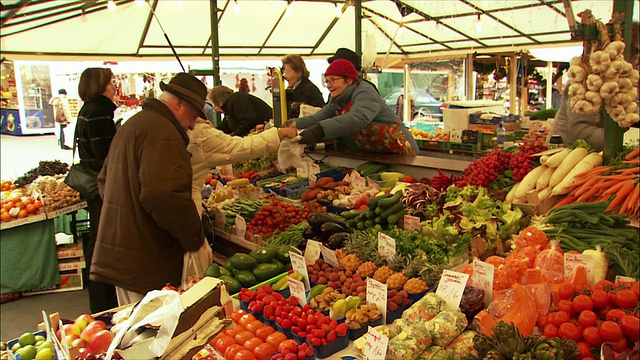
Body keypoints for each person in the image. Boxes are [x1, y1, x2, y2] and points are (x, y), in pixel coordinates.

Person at [91, 73, 206, 306]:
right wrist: (194, 237)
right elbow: (162, 193)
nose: (192, 124)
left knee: (134, 329)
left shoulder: (134, 124)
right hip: (145, 259)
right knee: (153, 334)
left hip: (122, 254)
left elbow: (103, 181)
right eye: (193, 115)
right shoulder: (164, 133)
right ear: (179, 104)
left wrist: (127, 212)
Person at [288, 59, 418, 155]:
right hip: (379, 153)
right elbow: (319, 116)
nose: (328, 85)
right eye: (327, 81)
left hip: (401, 151)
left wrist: (319, 131)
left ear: (349, 80)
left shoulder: (364, 91)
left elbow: (356, 118)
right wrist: (292, 124)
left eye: (333, 80)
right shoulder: (338, 98)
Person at [75, 68, 118, 313]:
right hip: (102, 188)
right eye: (110, 83)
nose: (114, 87)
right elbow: (106, 157)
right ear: (100, 86)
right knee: (104, 242)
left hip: (93, 186)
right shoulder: (99, 114)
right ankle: (105, 304)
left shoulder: (87, 110)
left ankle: (101, 302)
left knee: (97, 239)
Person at [281, 54, 325, 119]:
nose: (285, 76)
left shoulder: (309, 90)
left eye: (288, 72)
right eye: (284, 72)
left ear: (299, 72)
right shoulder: (293, 88)